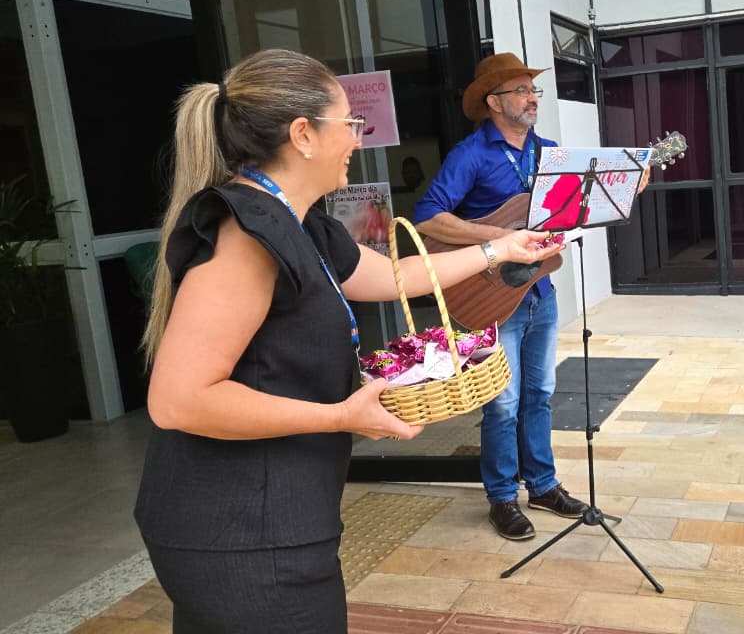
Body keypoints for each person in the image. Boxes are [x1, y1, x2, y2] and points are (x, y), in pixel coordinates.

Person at [134, 48, 562, 633]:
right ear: (303, 134)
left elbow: (392, 276)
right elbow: (178, 400)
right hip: (240, 529)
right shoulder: (247, 234)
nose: (359, 139)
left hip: (275, 512)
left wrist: (501, 249)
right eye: (351, 124)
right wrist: (340, 416)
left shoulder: (301, 220)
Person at [413, 52, 590, 541]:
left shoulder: (551, 153)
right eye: (521, 90)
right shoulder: (471, 154)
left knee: (541, 394)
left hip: (540, 290)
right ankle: (502, 497)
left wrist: (620, 190)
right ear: (494, 102)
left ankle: (544, 484)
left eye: (534, 90)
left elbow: (569, 215)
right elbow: (428, 216)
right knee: (502, 403)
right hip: (490, 298)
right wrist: (494, 238)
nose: (533, 98)